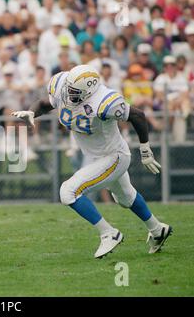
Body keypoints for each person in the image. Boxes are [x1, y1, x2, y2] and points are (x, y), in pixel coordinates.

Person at [12, 64, 172, 258]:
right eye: (69, 89)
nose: (70, 95)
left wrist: (145, 150)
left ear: (89, 90)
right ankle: (157, 230)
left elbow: (138, 115)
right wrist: (31, 113)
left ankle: (109, 233)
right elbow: (45, 104)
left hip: (113, 156)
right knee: (125, 198)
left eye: (75, 92)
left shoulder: (104, 101)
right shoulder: (62, 85)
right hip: (96, 156)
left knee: (68, 191)